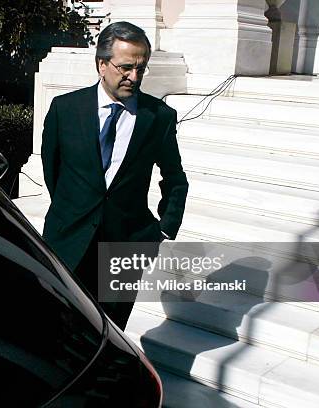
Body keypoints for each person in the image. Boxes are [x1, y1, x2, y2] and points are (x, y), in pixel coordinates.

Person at [41, 21, 188, 330]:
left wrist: (163, 231)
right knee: (59, 325)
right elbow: (52, 170)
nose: (133, 77)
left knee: (110, 332)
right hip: (68, 240)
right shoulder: (64, 109)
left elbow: (175, 180)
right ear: (101, 64)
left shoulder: (158, 118)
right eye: (125, 68)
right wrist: (73, 210)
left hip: (125, 247)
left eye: (140, 68)